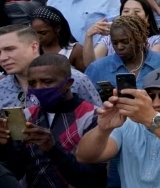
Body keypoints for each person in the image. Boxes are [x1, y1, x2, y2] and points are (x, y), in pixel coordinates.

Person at [0, 54, 108, 187]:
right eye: (32, 83)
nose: (38, 88)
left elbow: (95, 178)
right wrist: (5, 145)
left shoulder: (93, 117)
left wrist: (53, 149)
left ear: (68, 83)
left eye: (47, 82)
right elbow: (16, 170)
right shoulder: (27, 116)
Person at [87, 0, 160, 63]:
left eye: (136, 11)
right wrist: (89, 36)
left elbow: (151, 62)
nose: (130, 14)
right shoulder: (109, 40)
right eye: (126, 11)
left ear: (147, 18)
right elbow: (91, 64)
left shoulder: (157, 40)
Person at [30, 6, 85, 71]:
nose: (38, 36)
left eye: (43, 33)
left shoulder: (74, 51)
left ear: (57, 28)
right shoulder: (33, 50)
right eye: (34, 33)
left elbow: (87, 77)